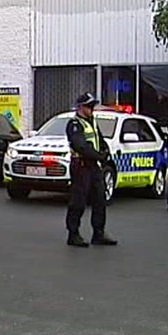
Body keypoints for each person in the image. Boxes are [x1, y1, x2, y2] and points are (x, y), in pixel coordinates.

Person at [64, 92, 118, 248]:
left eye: (93, 105)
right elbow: (80, 146)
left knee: (100, 200)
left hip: (94, 166)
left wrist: (105, 152)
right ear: (80, 107)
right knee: (78, 201)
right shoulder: (75, 124)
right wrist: (99, 156)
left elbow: (99, 140)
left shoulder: (92, 121)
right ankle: (73, 234)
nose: (92, 108)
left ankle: (98, 233)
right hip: (81, 166)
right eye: (89, 106)